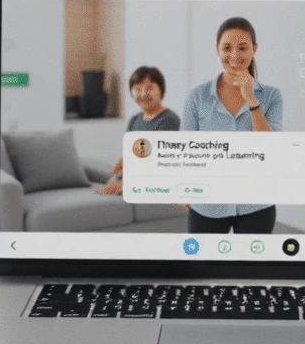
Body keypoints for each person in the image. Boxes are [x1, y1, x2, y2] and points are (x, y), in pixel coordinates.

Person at [181, 17, 283, 234]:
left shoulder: (272, 96)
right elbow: (184, 149)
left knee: (251, 268)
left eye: (243, 48)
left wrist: (251, 100)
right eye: (227, 48)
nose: (235, 56)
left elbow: (271, 147)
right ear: (217, 50)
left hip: (257, 202)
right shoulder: (198, 97)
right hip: (207, 202)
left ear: (254, 49)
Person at [99, 66, 180, 195]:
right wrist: (122, 163)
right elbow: (132, 155)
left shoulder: (169, 120)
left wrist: (127, 184)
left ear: (162, 91)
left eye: (149, 88)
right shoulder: (134, 120)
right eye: (137, 89)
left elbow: (160, 166)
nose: (143, 94)